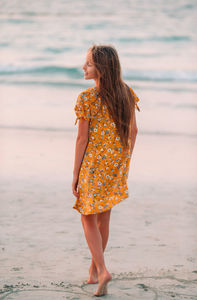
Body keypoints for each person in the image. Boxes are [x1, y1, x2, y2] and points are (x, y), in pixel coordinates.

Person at [72, 44, 140, 297]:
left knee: (87, 216)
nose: (84, 67)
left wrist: (75, 173)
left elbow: (82, 139)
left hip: (93, 164)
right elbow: (133, 131)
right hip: (117, 163)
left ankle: (102, 270)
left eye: (88, 64)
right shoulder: (127, 93)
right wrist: (125, 162)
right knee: (104, 216)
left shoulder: (87, 97)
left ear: (100, 68)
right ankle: (93, 271)